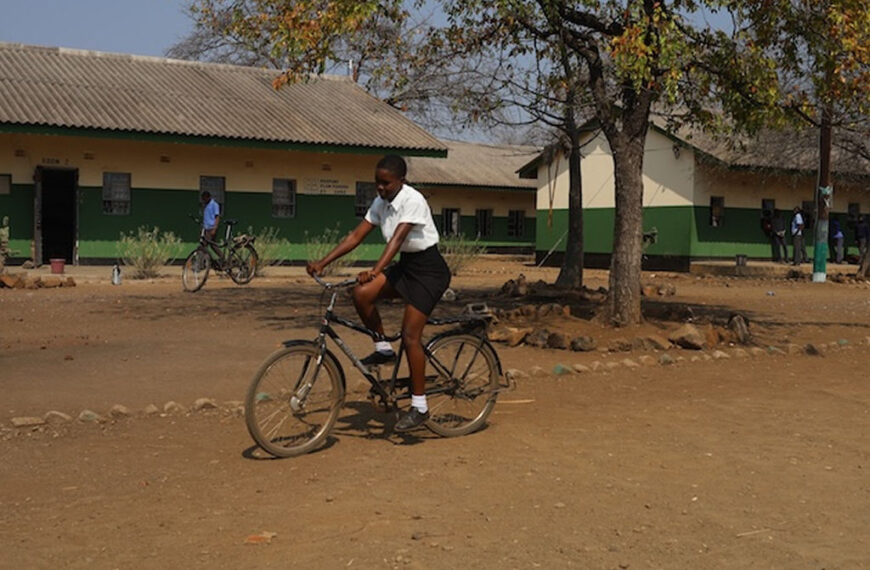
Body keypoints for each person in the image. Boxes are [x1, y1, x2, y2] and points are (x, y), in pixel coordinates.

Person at [307, 155, 451, 432]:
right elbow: (355, 236)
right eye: (377, 183)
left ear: (401, 181)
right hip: (406, 267)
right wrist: (323, 262)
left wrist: (375, 269)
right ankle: (383, 348)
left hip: (429, 272)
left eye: (386, 183)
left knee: (411, 336)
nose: (381, 188)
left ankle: (419, 406)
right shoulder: (380, 203)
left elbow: (397, 239)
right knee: (361, 293)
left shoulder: (413, 200)